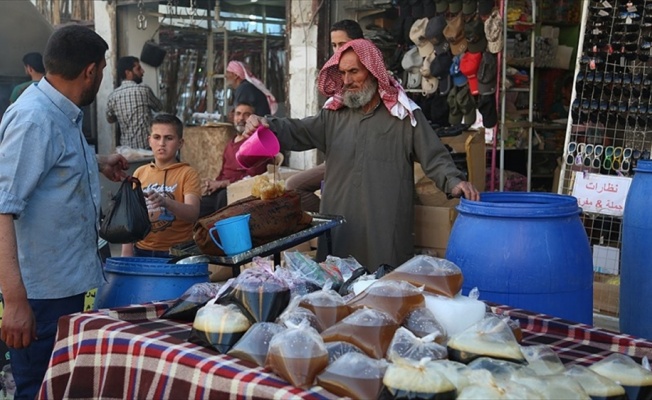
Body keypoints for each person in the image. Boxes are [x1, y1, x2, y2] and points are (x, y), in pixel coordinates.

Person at [244, 39, 480, 271]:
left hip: (384, 228)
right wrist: (267, 124)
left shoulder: (403, 116)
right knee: (336, 290)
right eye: (343, 73)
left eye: (354, 72)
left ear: (373, 71)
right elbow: (298, 130)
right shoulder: (334, 115)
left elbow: (435, 157)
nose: (346, 81)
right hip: (339, 225)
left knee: (383, 293)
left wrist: (454, 181)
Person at [0, 25, 128, 400]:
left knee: (60, 387)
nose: (100, 80)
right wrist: (16, 302)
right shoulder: (33, 119)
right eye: (102, 72)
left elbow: (50, 166)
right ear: (91, 71)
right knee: (38, 388)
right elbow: (2, 206)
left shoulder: (61, 113)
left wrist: (98, 161)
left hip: (64, 285)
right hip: (39, 295)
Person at [285, 19, 365, 212]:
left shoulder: (376, 81)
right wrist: (269, 126)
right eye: (334, 45)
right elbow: (313, 127)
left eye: (342, 44)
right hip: (338, 160)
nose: (338, 51)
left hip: (367, 164)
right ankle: (329, 220)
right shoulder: (337, 87)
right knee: (292, 187)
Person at [121, 113, 201, 257]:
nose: (161, 143)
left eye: (169, 138)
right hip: (142, 250)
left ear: (180, 143)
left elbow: (193, 213)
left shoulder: (188, 173)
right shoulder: (139, 173)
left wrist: (166, 202)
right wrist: (126, 253)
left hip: (178, 252)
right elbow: (130, 215)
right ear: (149, 141)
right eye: (156, 137)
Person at [199, 102, 268, 217]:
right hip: (222, 190)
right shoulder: (230, 144)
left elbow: (253, 177)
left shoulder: (256, 144)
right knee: (198, 204)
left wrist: (223, 184)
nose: (241, 118)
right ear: (233, 117)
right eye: (238, 114)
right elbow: (222, 173)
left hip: (239, 192)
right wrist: (212, 184)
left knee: (222, 198)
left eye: (246, 115)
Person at [106, 56, 163, 149]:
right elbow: (159, 107)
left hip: (126, 151)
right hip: (146, 148)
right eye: (138, 69)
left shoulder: (113, 96)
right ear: (128, 73)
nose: (142, 71)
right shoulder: (144, 90)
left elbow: (110, 119)